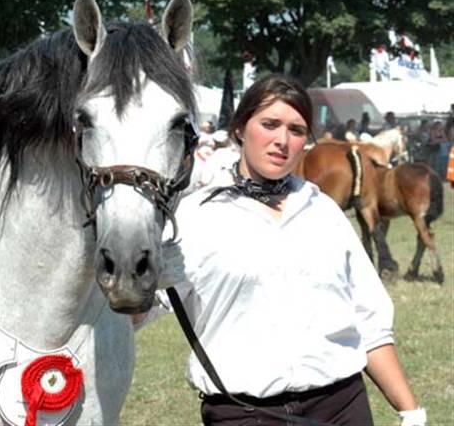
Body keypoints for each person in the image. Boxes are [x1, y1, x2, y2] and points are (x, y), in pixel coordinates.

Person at [144, 74, 425, 426]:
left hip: (341, 408)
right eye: (270, 124)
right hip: (244, 414)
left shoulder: (323, 211)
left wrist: (410, 410)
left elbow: (369, 324)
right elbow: (136, 313)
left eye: (296, 130)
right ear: (240, 129)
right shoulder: (194, 217)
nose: (282, 140)